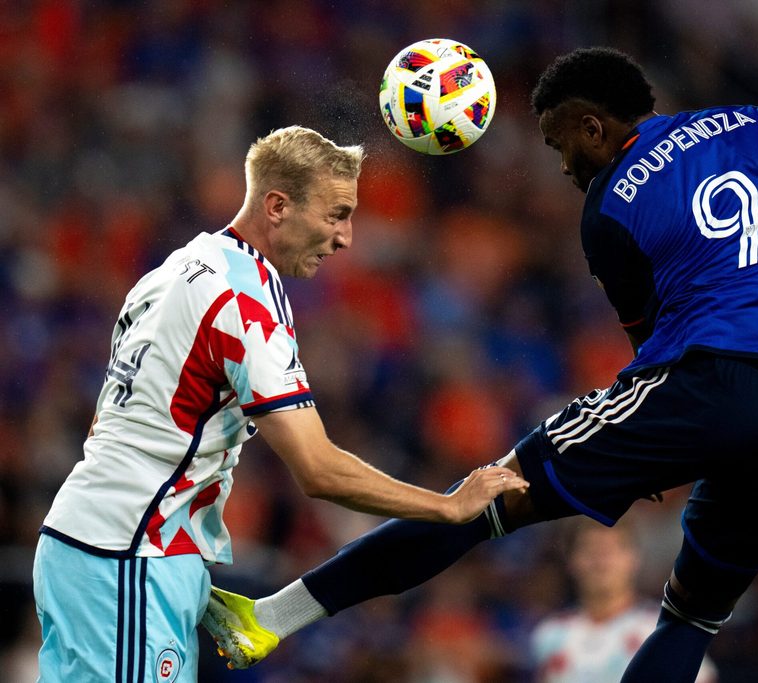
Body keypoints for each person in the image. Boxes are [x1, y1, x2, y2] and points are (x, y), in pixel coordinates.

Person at [202, 48, 758, 682]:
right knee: (691, 618)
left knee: (483, 499)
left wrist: (654, 449)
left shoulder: (610, 203)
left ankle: (274, 616)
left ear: (591, 126)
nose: (561, 166)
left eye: (558, 144)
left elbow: (650, 351)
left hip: (705, 380)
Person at [31, 125, 527, 683]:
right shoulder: (246, 301)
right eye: (335, 214)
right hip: (127, 555)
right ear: (277, 206)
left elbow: (120, 423)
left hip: (95, 546)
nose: (345, 238)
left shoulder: (174, 267)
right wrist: (449, 506)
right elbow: (318, 470)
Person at [531, 520, 717, 683]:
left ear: (634, 558)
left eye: (611, 549)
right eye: (590, 549)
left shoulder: (661, 629)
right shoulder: (549, 634)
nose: (601, 560)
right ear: (571, 559)